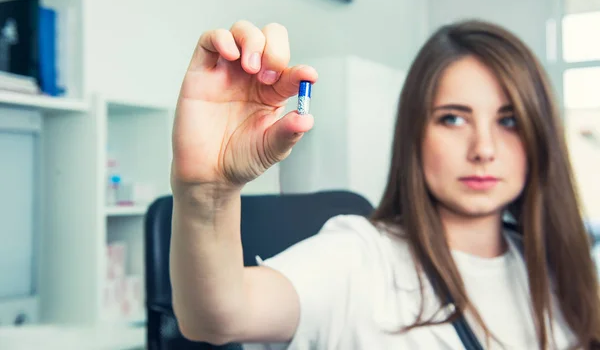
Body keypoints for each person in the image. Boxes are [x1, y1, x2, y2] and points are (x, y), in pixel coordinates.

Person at [168, 19, 600, 349]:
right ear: (415, 135)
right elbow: (218, 316)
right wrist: (209, 193)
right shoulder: (359, 256)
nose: (483, 148)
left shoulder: (557, 266)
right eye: (453, 118)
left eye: (508, 121)